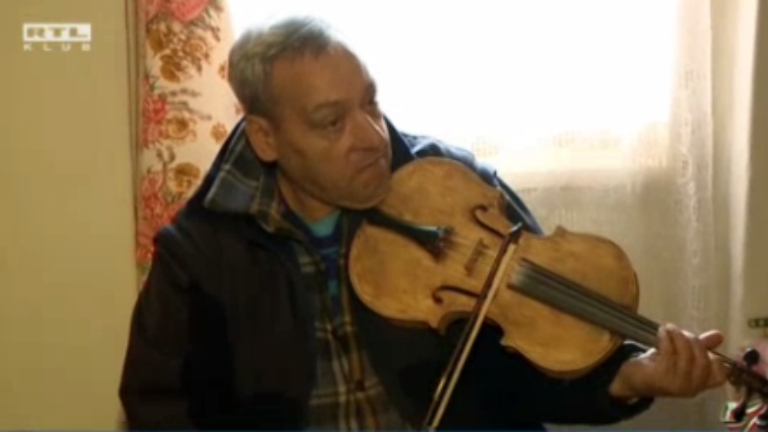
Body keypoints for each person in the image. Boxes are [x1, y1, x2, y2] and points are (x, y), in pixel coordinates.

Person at [119, 15, 729, 430]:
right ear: (265, 137)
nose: (371, 137)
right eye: (332, 122)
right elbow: (160, 411)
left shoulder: (454, 190)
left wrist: (629, 375)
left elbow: (529, 368)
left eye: (370, 102)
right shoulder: (202, 253)